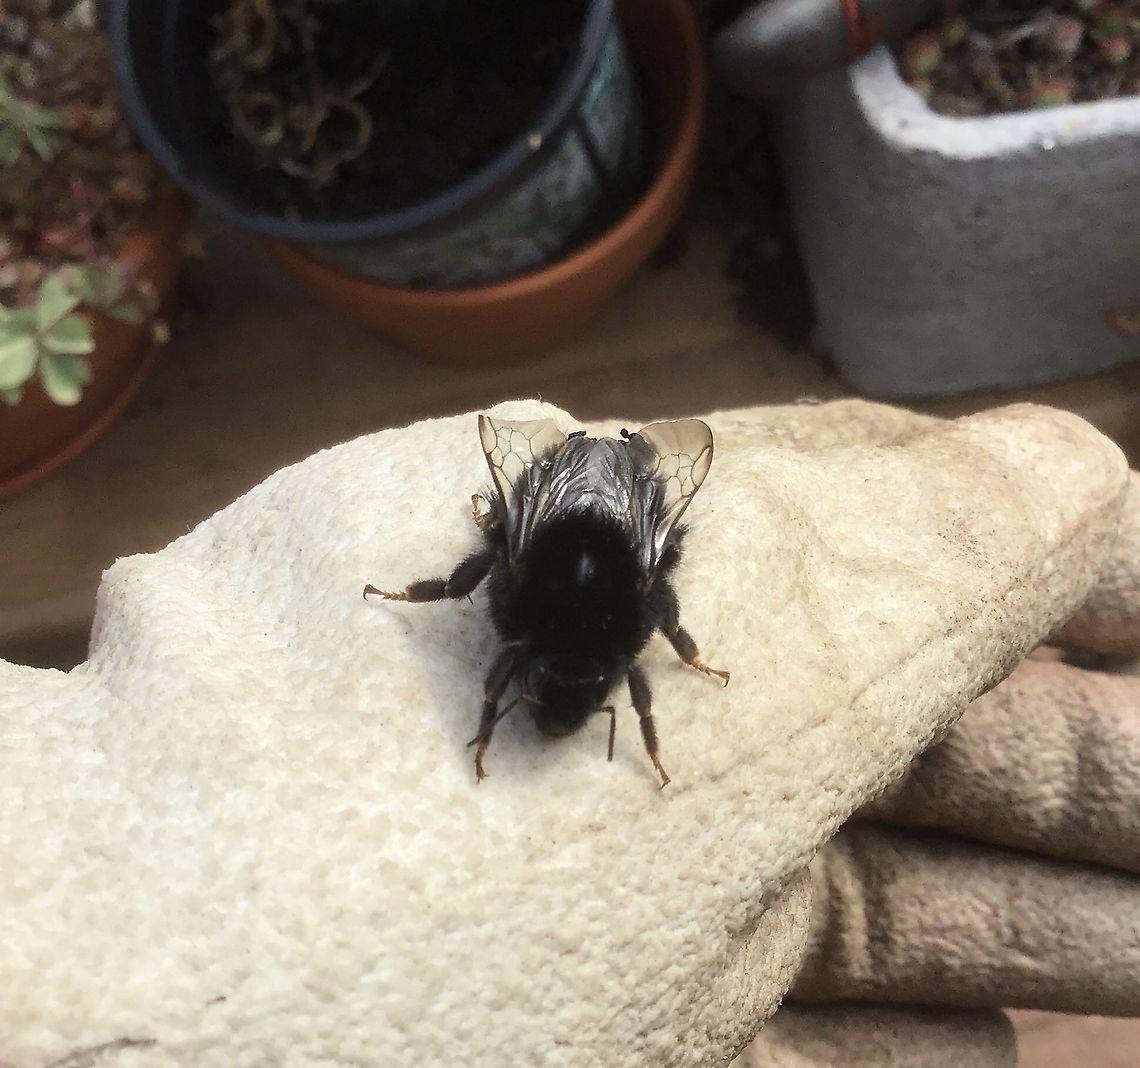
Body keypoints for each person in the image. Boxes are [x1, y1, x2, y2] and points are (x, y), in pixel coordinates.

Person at [1, 399, 1136, 1068]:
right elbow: (511, 597)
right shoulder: (536, 623)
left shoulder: (596, 628)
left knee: (571, 564)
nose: (565, 692)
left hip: (606, 500)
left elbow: (632, 599)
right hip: (568, 499)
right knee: (508, 564)